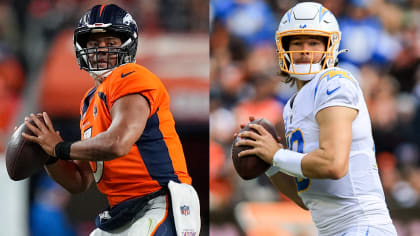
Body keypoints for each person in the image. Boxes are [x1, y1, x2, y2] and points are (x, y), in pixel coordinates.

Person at [22, 4, 200, 236]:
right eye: (94, 44)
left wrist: (60, 147)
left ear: (127, 46)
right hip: (120, 213)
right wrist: (50, 156)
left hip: (159, 202)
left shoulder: (131, 76)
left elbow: (118, 142)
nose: (102, 50)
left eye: (111, 43)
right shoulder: (89, 102)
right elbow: (79, 182)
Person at [235, 2, 397, 235]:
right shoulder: (292, 106)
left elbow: (333, 164)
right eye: (297, 42)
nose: (305, 50)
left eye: (313, 42)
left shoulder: (334, 82)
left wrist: (277, 154)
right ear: (283, 47)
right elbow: (307, 199)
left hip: (362, 226)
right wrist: (269, 164)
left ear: (330, 46)